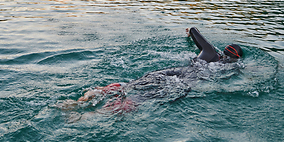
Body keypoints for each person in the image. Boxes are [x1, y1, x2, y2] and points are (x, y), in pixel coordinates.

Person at [58, 27, 243, 115]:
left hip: (172, 72)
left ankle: (85, 97)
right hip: (183, 82)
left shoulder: (209, 52)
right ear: (236, 58)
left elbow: (196, 32)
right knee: (138, 99)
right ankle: (91, 117)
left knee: (131, 85)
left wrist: (190, 32)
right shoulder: (230, 68)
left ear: (223, 51)